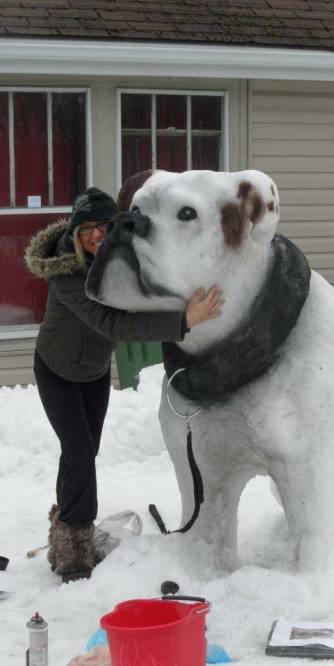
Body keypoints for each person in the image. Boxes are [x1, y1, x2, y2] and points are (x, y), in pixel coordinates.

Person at [25, 187, 223, 583]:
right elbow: (113, 324)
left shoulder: (116, 264)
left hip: (94, 371)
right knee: (79, 451)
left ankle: (66, 521)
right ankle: (74, 550)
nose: (95, 236)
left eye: (103, 226)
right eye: (87, 230)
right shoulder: (67, 276)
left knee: (83, 451)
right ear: (76, 234)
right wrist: (185, 321)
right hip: (57, 370)